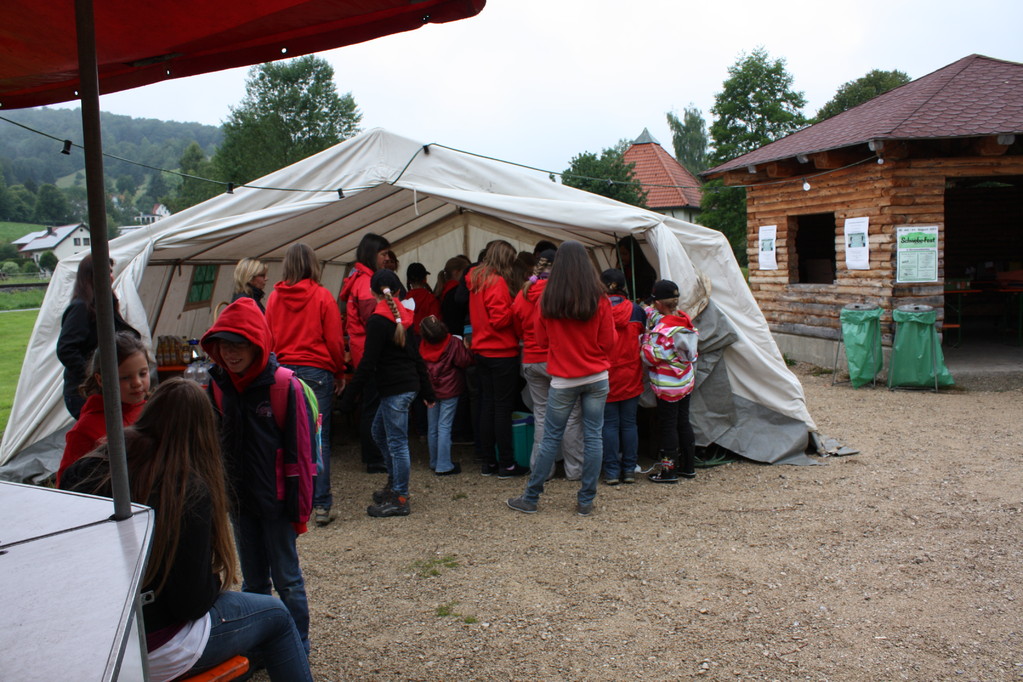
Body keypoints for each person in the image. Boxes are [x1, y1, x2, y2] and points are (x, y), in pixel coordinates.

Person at [61, 379, 312, 682]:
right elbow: (189, 604)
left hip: (91, 638)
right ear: (205, 432)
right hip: (152, 646)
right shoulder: (185, 489)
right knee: (277, 616)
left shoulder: (89, 467)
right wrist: (212, 581)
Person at [200, 298, 315, 654]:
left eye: (239, 344)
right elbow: (213, 447)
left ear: (257, 344)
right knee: (253, 583)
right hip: (240, 502)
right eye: (223, 345)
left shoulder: (284, 387)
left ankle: (297, 645)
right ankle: (263, 647)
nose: (230, 354)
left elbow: (302, 458)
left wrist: (299, 512)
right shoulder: (218, 386)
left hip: (277, 503)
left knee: (288, 579)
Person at [507, 240, 615, 517]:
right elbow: (609, 341)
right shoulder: (600, 298)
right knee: (593, 437)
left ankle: (531, 497)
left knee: (550, 438)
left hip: (564, 378)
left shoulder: (548, 299)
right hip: (596, 376)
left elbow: (541, 339)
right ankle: (586, 500)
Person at [339, 270, 436, 517]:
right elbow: (416, 357)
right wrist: (426, 390)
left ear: (372, 293)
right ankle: (394, 486)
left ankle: (400, 497)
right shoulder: (403, 318)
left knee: (396, 442)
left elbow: (368, 362)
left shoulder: (377, 321)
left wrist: (349, 397)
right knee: (379, 433)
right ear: (399, 292)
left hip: (396, 390)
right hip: (404, 387)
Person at [264, 243, 344, 527]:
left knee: (286, 439)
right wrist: (339, 370)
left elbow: (268, 340)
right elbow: (334, 340)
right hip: (316, 371)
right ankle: (321, 505)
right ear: (313, 265)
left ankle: (291, 500)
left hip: (283, 372)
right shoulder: (322, 297)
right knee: (317, 440)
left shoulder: (274, 298)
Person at [56, 331, 150, 486]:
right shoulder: (85, 429)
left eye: (143, 373)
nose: (137, 383)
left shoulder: (150, 411)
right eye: (125, 377)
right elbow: (66, 482)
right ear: (101, 379)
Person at [469, 239, 527, 478]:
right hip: (501, 352)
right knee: (502, 409)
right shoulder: (497, 282)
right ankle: (507, 463)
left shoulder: (475, 279)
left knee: (487, 406)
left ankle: (489, 462)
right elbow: (500, 319)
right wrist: (516, 308)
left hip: (481, 350)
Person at [57, 254, 139, 419]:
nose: (110, 276)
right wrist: (93, 377)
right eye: (104, 271)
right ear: (90, 276)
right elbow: (66, 349)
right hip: (84, 393)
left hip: (104, 388)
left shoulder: (104, 304)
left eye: (110, 271)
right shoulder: (81, 307)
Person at [339, 232, 391, 473]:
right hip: (369, 352)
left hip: (364, 350)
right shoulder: (365, 284)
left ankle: (372, 454)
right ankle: (373, 457)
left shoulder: (359, 278)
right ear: (372, 254)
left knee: (371, 403)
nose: (386, 258)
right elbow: (374, 321)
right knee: (373, 405)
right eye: (383, 254)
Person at [641, 279, 699, 483]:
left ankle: (669, 471)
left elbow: (650, 358)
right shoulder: (684, 321)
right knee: (683, 422)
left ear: (658, 303)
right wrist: (648, 311)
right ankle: (688, 467)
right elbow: (662, 318)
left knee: (668, 426)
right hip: (684, 382)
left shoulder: (661, 332)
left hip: (667, 387)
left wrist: (645, 338)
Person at [599, 269, 646, 485]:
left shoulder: (596, 309)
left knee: (608, 424)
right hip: (630, 372)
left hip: (605, 372)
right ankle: (628, 469)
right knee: (629, 424)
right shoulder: (637, 310)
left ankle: (610, 472)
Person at [419, 315, 474, 476]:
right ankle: (443, 464)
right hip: (450, 390)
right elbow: (465, 361)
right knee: (445, 426)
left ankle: (434, 461)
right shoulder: (453, 343)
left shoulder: (423, 346)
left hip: (430, 390)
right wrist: (468, 348)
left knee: (433, 427)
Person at [404, 262, 441, 335]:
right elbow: (436, 323)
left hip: (411, 342)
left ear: (409, 281)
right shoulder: (431, 299)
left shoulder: (404, 301)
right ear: (425, 279)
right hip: (428, 340)